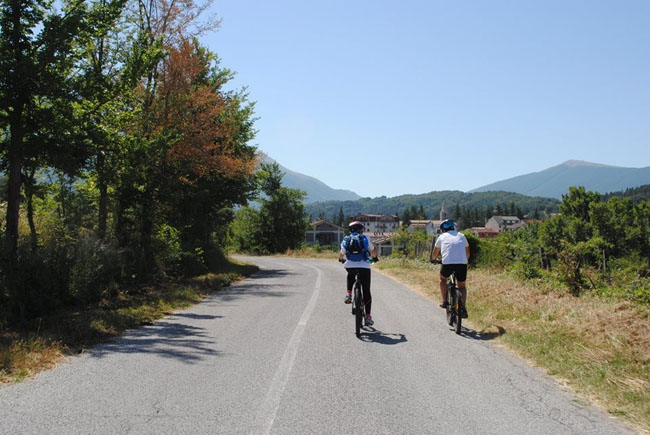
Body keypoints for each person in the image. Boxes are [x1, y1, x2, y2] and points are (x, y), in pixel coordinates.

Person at [339, 221, 379, 326]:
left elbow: (341, 254)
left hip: (350, 266)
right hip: (364, 267)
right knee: (366, 291)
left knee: (350, 273)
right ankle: (368, 317)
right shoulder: (365, 238)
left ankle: (348, 294)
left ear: (350, 230)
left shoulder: (346, 239)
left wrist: (341, 260)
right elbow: (372, 251)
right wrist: (374, 259)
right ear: (361, 230)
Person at [430, 219, 470, 318]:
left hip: (447, 263)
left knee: (443, 279)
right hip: (462, 264)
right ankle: (463, 308)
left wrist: (434, 259)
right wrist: (464, 260)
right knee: (462, 286)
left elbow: (435, 253)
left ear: (443, 229)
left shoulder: (441, 237)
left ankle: (444, 301)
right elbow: (467, 253)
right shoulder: (462, 236)